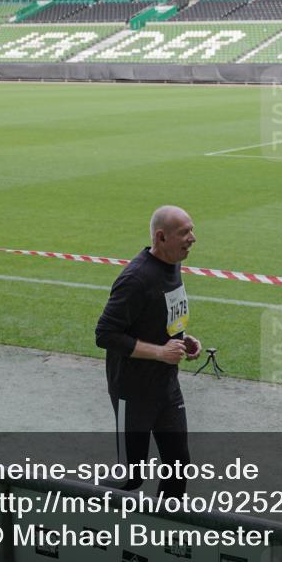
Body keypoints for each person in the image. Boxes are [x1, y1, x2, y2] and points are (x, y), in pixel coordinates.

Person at [95, 205, 201, 498]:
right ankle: (70, 497)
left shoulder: (173, 264)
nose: (193, 238)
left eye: (192, 229)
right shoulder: (136, 279)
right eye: (185, 232)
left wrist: (183, 339)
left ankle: (163, 536)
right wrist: (160, 353)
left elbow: (159, 317)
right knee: (130, 479)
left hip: (166, 387)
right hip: (134, 391)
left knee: (179, 465)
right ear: (161, 237)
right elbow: (105, 334)